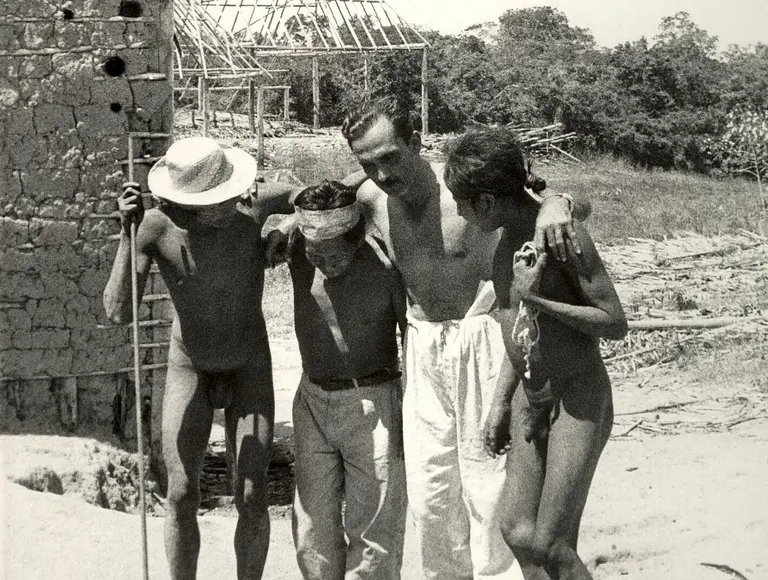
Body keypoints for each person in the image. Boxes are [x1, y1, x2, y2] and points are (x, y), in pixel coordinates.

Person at [272, 97, 588, 580]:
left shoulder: (463, 188)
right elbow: (323, 200)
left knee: (487, 486)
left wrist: (557, 204)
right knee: (430, 492)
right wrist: (298, 218)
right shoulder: (370, 201)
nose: (382, 172)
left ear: (416, 142)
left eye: (390, 157)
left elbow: (559, 201)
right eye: (367, 163)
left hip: (482, 336)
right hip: (420, 345)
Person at [102, 136, 364, 580]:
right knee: (182, 492)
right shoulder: (155, 226)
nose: (227, 206)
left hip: (249, 364)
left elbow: (329, 190)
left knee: (251, 493)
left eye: (229, 195)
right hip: (191, 365)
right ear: (182, 200)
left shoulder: (256, 205)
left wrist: (289, 229)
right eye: (212, 201)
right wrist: (127, 237)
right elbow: (117, 311)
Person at [443, 126, 628, 580]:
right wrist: (501, 402)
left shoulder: (562, 238)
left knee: (552, 544)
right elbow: (516, 329)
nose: (462, 216)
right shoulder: (505, 236)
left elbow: (614, 323)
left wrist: (538, 299)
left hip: (577, 397)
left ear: (486, 201)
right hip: (533, 398)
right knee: (519, 531)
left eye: (463, 205)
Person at [282, 180, 407, 580]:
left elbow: (411, 332)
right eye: (315, 251)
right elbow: (269, 192)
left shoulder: (386, 266)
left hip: (373, 405)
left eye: (334, 253)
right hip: (313, 401)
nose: (323, 261)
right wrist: (293, 206)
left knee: (373, 529)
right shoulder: (298, 254)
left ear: (357, 239)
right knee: (311, 529)